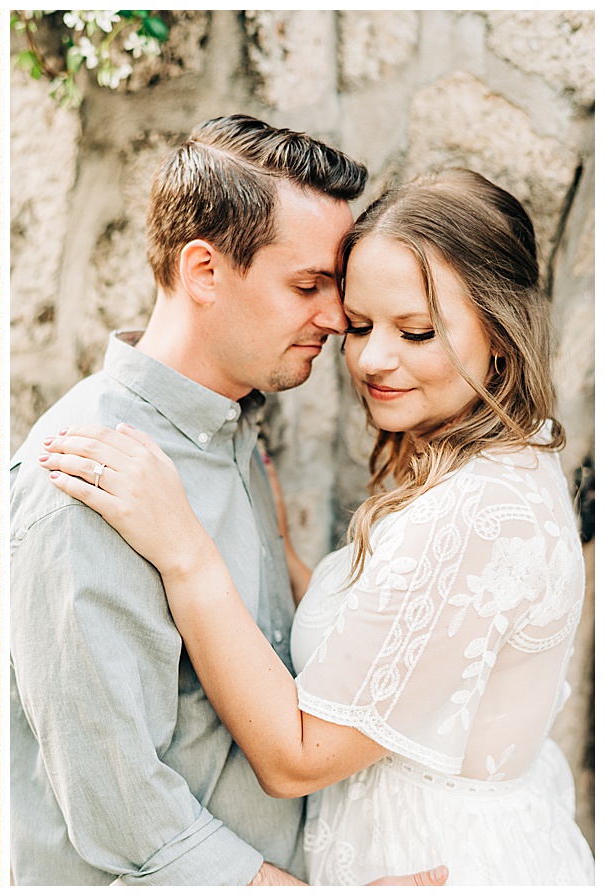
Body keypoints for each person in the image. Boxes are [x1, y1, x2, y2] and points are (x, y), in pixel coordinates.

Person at [42, 169, 595, 885]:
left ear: (500, 331)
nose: (371, 358)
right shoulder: (477, 456)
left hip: (435, 863)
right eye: (360, 325)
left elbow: (296, 755)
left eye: (417, 331)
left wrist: (187, 553)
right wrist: (273, 535)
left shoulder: (484, 514)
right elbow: (377, 639)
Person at [9, 115, 443, 885]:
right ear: (204, 270)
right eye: (308, 285)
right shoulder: (87, 477)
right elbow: (125, 814)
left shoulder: (238, 428)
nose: (338, 318)